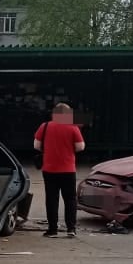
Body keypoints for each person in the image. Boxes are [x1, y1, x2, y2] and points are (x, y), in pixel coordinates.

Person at [33, 102, 85, 238]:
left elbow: (36, 145)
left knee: (51, 199)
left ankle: (52, 229)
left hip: (49, 169)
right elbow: (80, 147)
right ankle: (71, 229)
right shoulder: (73, 128)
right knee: (70, 199)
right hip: (68, 169)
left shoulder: (44, 126)